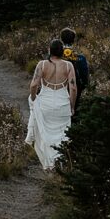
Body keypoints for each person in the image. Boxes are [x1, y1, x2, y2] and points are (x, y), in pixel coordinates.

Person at [24, 39, 76, 171]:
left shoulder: (42, 64)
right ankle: (60, 162)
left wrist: (34, 98)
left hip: (45, 104)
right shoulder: (69, 65)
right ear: (62, 51)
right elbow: (73, 88)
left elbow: (34, 84)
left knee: (45, 134)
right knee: (62, 135)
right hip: (62, 104)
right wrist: (72, 105)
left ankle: (49, 163)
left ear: (50, 50)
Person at [60, 26, 89, 112]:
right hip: (76, 89)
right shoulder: (80, 58)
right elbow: (85, 78)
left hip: (58, 89)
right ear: (73, 40)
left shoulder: (55, 57)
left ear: (61, 39)